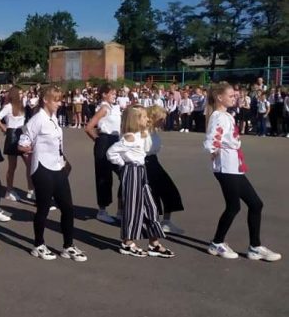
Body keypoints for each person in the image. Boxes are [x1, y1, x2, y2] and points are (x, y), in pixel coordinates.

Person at [204, 82, 281, 261]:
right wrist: (215, 153)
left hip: (234, 166)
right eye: (231, 95)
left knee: (255, 204)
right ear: (219, 97)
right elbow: (212, 140)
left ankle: (255, 247)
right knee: (234, 206)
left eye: (235, 95)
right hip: (226, 167)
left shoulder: (226, 115)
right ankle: (216, 243)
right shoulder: (219, 117)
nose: (235, 98)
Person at [19, 86, 87, 262]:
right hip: (42, 168)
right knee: (43, 209)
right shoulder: (37, 120)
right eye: (56, 100)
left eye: (60, 100)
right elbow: (22, 144)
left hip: (58, 167)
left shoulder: (53, 118)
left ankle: (68, 246)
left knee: (68, 208)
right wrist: (31, 148)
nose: (59, 103)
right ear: (45, 100)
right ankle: (38, 245)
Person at [106, 105, 175, 258]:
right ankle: (127, 242)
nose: (147, 119)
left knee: (151, 207)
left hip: (141, 171)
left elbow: (150, 133)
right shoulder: (130, 137)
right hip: (132, 171)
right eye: (144, 117)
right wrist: (123, 164)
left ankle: (153, 243)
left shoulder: (139, 134)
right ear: (136, 120)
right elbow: (111, 152)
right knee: (132, 208)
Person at [84, 83, 121, 223]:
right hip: (105, 142)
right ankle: (102, 210)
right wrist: (98, 140)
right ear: (104, 94)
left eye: (115, 93)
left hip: (115, 142)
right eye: (112, 93)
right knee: (103, 177)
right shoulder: (104, 108)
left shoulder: (113, 108)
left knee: (124, 174)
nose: (114, 95)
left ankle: (120, 210)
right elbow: (88, 127)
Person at [145, 106, 185, 234]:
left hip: (154, 161)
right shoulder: (143, 131)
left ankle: (166, 222)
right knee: (152, 194)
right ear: (153, 118)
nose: (163, 121)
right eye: (161, 119)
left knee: (169, 190)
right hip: (144, 163)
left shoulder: (154, 131)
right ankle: (151, 223)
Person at [0, 86, 34, 201]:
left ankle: (31, 189)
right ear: (15, 94)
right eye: (20, 93)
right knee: (12, 166)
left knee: (30, 163)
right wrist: (4, 128)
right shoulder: (8, 106)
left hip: (21, 134)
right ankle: (9, 190)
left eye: (22, 93)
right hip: (12, 135)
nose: (22, 95)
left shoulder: (21, 106)